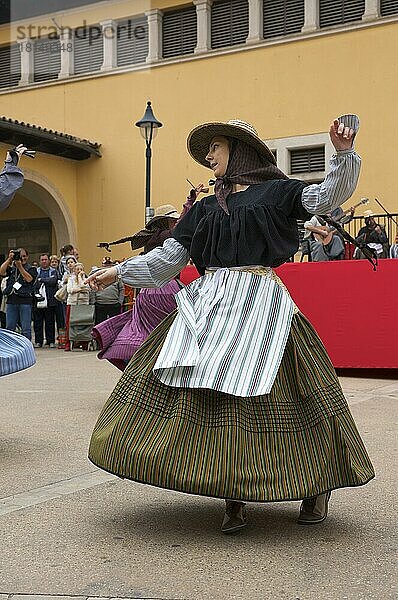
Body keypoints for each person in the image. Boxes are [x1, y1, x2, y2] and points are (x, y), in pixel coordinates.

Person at [87, 116, 374, 534]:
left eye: (215, 148)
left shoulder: (277, 193)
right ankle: (232, 493)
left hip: (261, 303)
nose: (208, 157)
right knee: (211, 397)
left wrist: (343, 154)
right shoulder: (203, 209)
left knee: (288, 395)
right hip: (212, 301)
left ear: (238, 150)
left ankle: (317, 485)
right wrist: (120, 272)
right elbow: (169, 260)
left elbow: (327, 195)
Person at [92, 196, 204, 371]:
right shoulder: (167, 236)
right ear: (166, 222)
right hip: (165, 290)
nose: (176, 223)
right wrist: (190, 204)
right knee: (164, 335)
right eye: (173, 220)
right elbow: (185, 227)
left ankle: (138, 369)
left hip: (147, 292)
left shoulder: (151, 237)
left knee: (143, 332)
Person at [0, 144, 36, 375]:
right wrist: (11, 165)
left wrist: (10, 165)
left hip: (22, 299)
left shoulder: (27, 266)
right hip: (13, 300)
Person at [33, 253, 59, 348]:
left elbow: (53, 281)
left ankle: (50, 341)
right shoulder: (36, 271)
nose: (44, 261)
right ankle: (38, 341)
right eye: (42, 260)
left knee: (50, 322)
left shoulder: (53, 271)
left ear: (49, 261)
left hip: (50, 301)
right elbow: (34, 283)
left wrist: (41, 280)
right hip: (38, 300)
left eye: (45, 259)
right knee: (38, 322)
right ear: (40, 261)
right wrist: (45, 280)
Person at [90, 258, 124, 326]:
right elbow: (93, 289)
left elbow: (121, 289)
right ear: (102, 265)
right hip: (100, 304)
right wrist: (93, 302)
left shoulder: (116, 275)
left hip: (114, 304)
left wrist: (120, 302)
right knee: (100, 324)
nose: (107, 266)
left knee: (115, 324)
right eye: (105, 264)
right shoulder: (97, 275)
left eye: (109, 264)